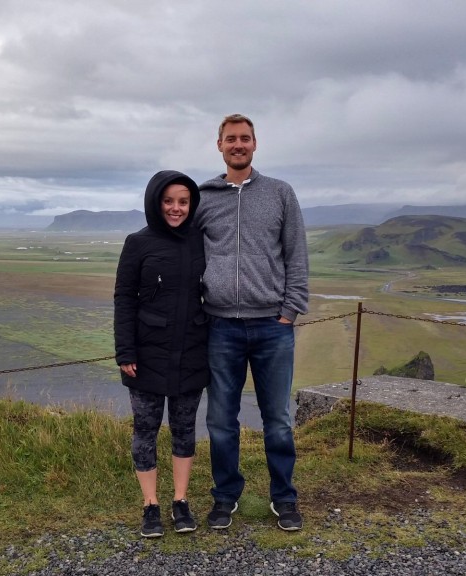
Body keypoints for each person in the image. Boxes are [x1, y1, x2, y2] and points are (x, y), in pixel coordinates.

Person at [194, 114, 309, 531]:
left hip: (271, 327)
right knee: (221, 420)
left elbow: (296, 255)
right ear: (219, 145)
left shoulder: (280, 193)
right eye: (230, 139)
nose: (238, 145)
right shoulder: (203, 197)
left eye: (245, 138)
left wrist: (289, 312)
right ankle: (225, 497)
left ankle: (285, 498)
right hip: (219, 327)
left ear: (255, 144)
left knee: (277, 418)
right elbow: (188, 255)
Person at [113, 170, 210, 538]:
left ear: (192, 204)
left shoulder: (201, 241)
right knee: (145, 430)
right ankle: (150, 504)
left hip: (191, 352)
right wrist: (125, 351)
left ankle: (181, 501)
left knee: (185, 429)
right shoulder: (137, 243)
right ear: (155, 202)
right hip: (146, 356)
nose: (176, 208)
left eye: (183, 201)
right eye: (168, 201)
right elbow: (124, 299)